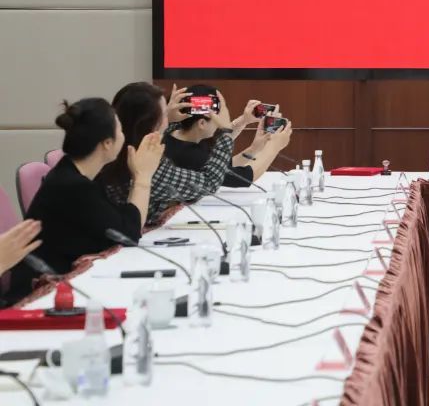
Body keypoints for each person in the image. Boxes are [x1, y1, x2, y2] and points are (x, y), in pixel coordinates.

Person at [4, 99, 163, 303]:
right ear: (107, 143)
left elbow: (123, 223)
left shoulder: (76, 174)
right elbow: (128, 234)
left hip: (66, 280)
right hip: (40, 293)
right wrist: (142, 177)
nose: (123, 136)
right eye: (120, 130)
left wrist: (141, 177)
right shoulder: (73, 186)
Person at [99, 83, 233, 222]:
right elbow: (208, 184)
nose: (168, 118)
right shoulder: (145, 161)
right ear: (150, 123)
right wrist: (226, 133)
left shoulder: (116, 148)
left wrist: (170, 121)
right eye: (164, 114)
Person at [168, 95, 293, 186]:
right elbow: (243, 177)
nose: (223, 124)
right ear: (202, 123)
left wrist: (253, 148)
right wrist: (273, 147)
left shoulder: (176, 137)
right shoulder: (191, 155)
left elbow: (223, 165)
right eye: (220, 118)